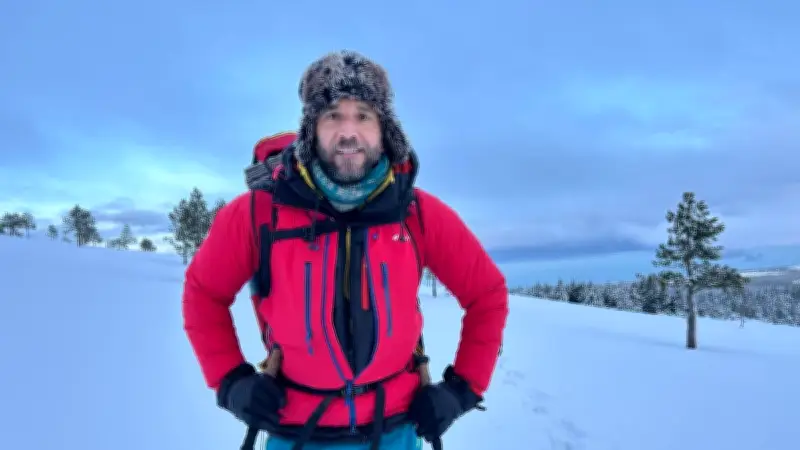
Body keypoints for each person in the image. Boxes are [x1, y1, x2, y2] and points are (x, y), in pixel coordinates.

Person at [182, 50, 509, 450]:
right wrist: (231, 381)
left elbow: (486, 293)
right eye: (332, 115)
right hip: (296, 434)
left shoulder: (416, 212)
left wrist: (461, 390)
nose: (348, 132)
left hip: (396, 432)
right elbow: (204, 292)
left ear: (384, 128)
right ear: (311, 128)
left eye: (364, 115)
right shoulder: (258, 214)